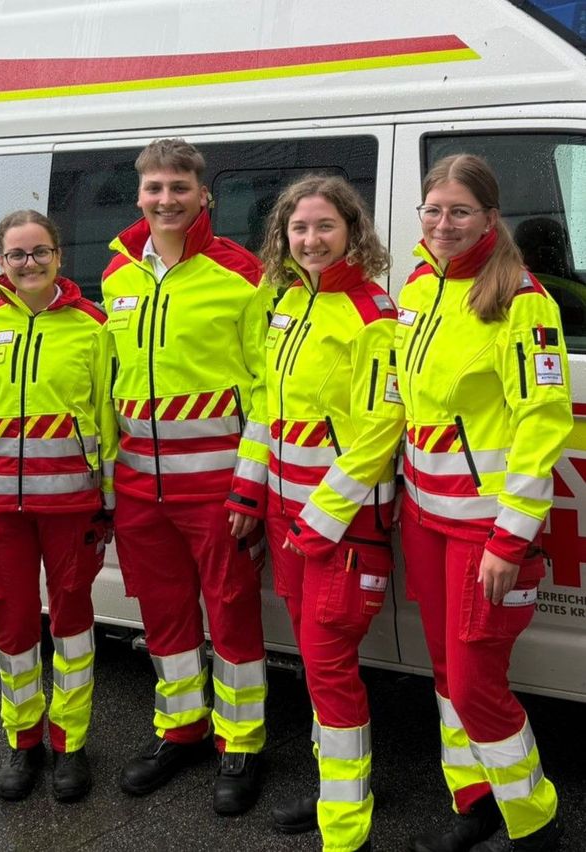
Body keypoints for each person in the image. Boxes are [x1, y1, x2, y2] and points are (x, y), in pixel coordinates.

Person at [398, 154, 571, 852]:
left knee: (474, 685)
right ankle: (474, 800)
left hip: (482, 528)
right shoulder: (418, 285)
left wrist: (511, 535)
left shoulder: (521, 301)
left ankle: (534, 823)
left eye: (460, 211)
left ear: (490, 219)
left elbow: (543, 421)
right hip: (424, 514)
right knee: (445, 674)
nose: (444, 223)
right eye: (434, 210)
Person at [228, 176, 403, 852]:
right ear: (284, 237)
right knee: (313, 660)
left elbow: (379, 431)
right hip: (283, 514)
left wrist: (319, 521)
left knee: (328, 665)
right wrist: (248, 493)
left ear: (353, 231)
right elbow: (267, 410)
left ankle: (345, 829)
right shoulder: (290, 305)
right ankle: (341, 787)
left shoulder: (372, 314)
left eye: (325, 227)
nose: (310, 239)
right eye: (299, 228)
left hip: (340, 525)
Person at [102, 138, 273, 815]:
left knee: (231, 616)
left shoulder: (241, 273)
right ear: (139, 194)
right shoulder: (118, 275)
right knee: (164, 616)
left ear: (205, 195)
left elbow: (267, 391)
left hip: (216, 487)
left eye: (179, 186)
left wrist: (250, 483)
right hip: (141, 485)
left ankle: (242, 742)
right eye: (154, 188)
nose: (166, 199)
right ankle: (181, 728)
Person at [0, 210, 116, 804]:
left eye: (39, 252)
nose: (28, 263)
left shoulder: (93, 326)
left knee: (74, 625)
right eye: (16, 254)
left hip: (72, 506)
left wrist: (106, 502)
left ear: (59, 255)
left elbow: (107, 416)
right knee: (12, 626)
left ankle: (71, 741)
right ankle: (23, 739)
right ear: (0, 262)